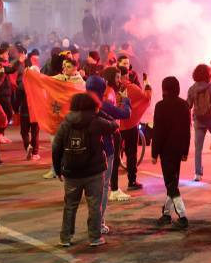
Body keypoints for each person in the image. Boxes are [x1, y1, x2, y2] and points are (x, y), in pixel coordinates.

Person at [52, 92, 118, 247]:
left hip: (71, 172)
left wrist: (57, 169)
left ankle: (66, 238)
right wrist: (100, 111)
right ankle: (95, 237)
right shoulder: (96, 121)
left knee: (70, 205)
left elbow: (56, 147)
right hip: (94, 172)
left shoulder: (65, 123)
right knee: (95, 205)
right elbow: (114, 125)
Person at [86, 75, 131, 232]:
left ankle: (68, 233)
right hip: (105, 150)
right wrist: (126, 101)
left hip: (85, 151)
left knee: (88, 188)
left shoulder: (78, 104)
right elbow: (125, 114)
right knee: (104, 186)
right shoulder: (103, 105)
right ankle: (98, 223)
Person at [152, 76, 191, 229]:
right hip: (178, 149)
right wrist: (185, 150)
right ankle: (167, 214)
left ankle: (182, 216)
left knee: (171, 183)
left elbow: (158, 132)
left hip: (166, 151)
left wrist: (154, 153)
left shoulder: (160, 106)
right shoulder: (184, 105)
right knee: (172, 181)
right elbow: (187, 130)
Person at [119, 67, 152, 190]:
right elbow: (146, 98)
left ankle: (111, 185)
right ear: (126, 75)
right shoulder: (131, 88)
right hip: (130, 125)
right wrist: (147, 83)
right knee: (131, 153)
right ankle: (132, 181)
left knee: (112, 155)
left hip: (115, 126)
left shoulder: (110, 88)